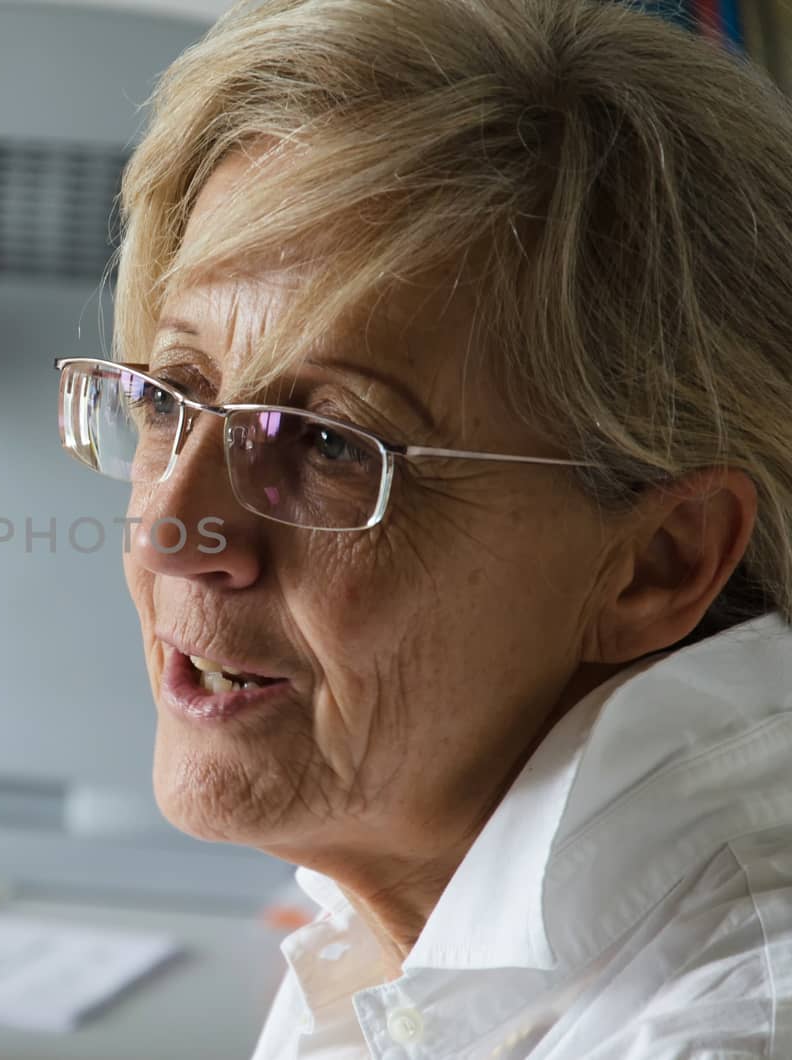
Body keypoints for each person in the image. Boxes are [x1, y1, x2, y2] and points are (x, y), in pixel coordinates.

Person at [53, 0, 792, 1055]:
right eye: (171, 397)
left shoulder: (724, 1027)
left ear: (655, 563)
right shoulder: (409, 920)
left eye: (327, 444)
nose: (169, 532)